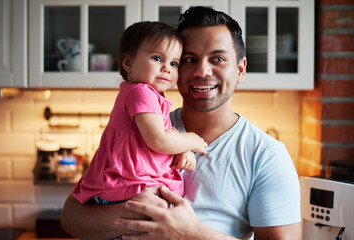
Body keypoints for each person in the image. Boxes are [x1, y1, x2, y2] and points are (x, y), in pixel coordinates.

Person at [61, 7, 301, 240]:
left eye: (217, 58)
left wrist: (191, 234)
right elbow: (72, 217)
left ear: (240, 69)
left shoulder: (267, 155)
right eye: (189, 60)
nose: (202, 71)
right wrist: (131, 214)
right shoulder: (141, 126)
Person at [72, 21, 207, 209]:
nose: (167, 68)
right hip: (128, 187)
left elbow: (163, 132)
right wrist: (192, 140)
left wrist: (181, 148)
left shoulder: (147, 94)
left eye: (174, 63)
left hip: (131, 187)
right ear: (128, 62)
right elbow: (158, 140)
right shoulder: (141, 92)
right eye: (157, 58)